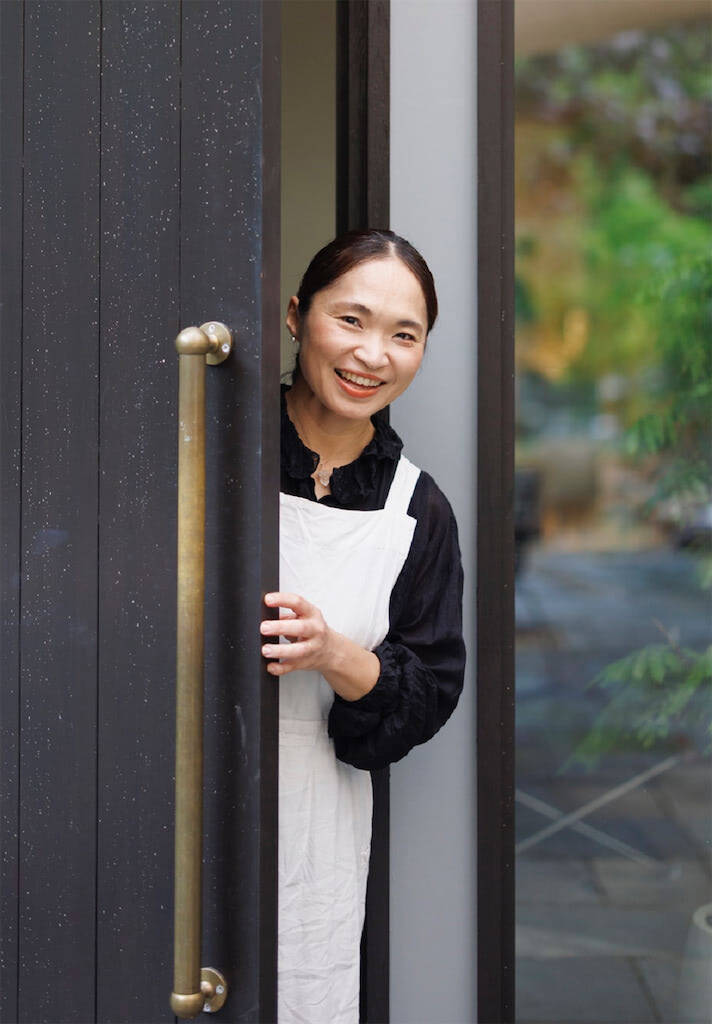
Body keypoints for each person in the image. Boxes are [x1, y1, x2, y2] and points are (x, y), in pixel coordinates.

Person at [259, 229, 466, 1024]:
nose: (372, 354)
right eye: (351, 319)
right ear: (295, 316)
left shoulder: (417, 509)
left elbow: (432, 687)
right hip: (174, 785)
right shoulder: (211, 451)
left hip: (317, 823)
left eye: (403, 335)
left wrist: (336, 654)